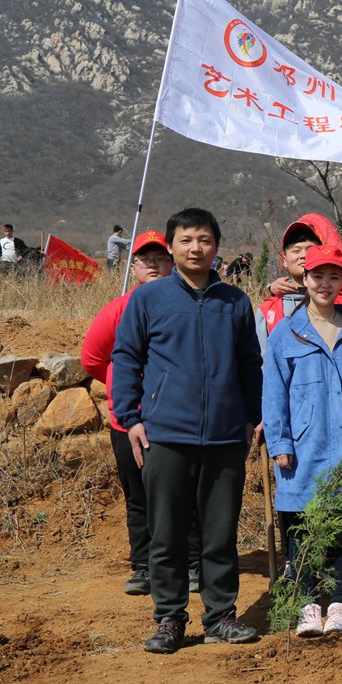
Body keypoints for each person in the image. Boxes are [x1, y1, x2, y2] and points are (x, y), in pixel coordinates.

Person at [111, 208, 263, 654]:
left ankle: (220, 617)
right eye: (186, 240)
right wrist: (132, 419)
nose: (195, 248)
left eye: (204, 240)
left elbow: (249, 365)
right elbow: (127, 359)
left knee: (220, 535)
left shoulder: (235, 301)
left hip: (224, 437)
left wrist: (253, 418)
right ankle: (169, 619)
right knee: (167, 532)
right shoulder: (149, 299)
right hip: (165, 435)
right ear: (173, 247)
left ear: (216, 246)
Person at [81, 230, 202, 597]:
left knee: (188, 494)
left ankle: (193, 563)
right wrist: (125, 386)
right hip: (127, 420)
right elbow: (93, 359)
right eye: (144, 260)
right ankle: (144, 566)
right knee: (139, 497)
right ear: (133, 267)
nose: (153, 265)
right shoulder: (118, 309)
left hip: (176, 420)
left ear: (172, 263)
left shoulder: (190, 304)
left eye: (160, 259)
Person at [262, 244, 342, 637]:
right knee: (301, 526)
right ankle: (309, 604)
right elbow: (274, 392)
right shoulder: (286, 333)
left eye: (333, 277)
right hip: (303, 447)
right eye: (317, 276)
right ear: (304, 279)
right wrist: (279, 442)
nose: (325, 284)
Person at [255, 219, 323, 353]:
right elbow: (262, 360)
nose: (303, 256)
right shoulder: (268, 311)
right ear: (284, 261)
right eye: (296, 251)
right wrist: (269, 288)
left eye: (310, 250)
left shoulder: (340, 301)